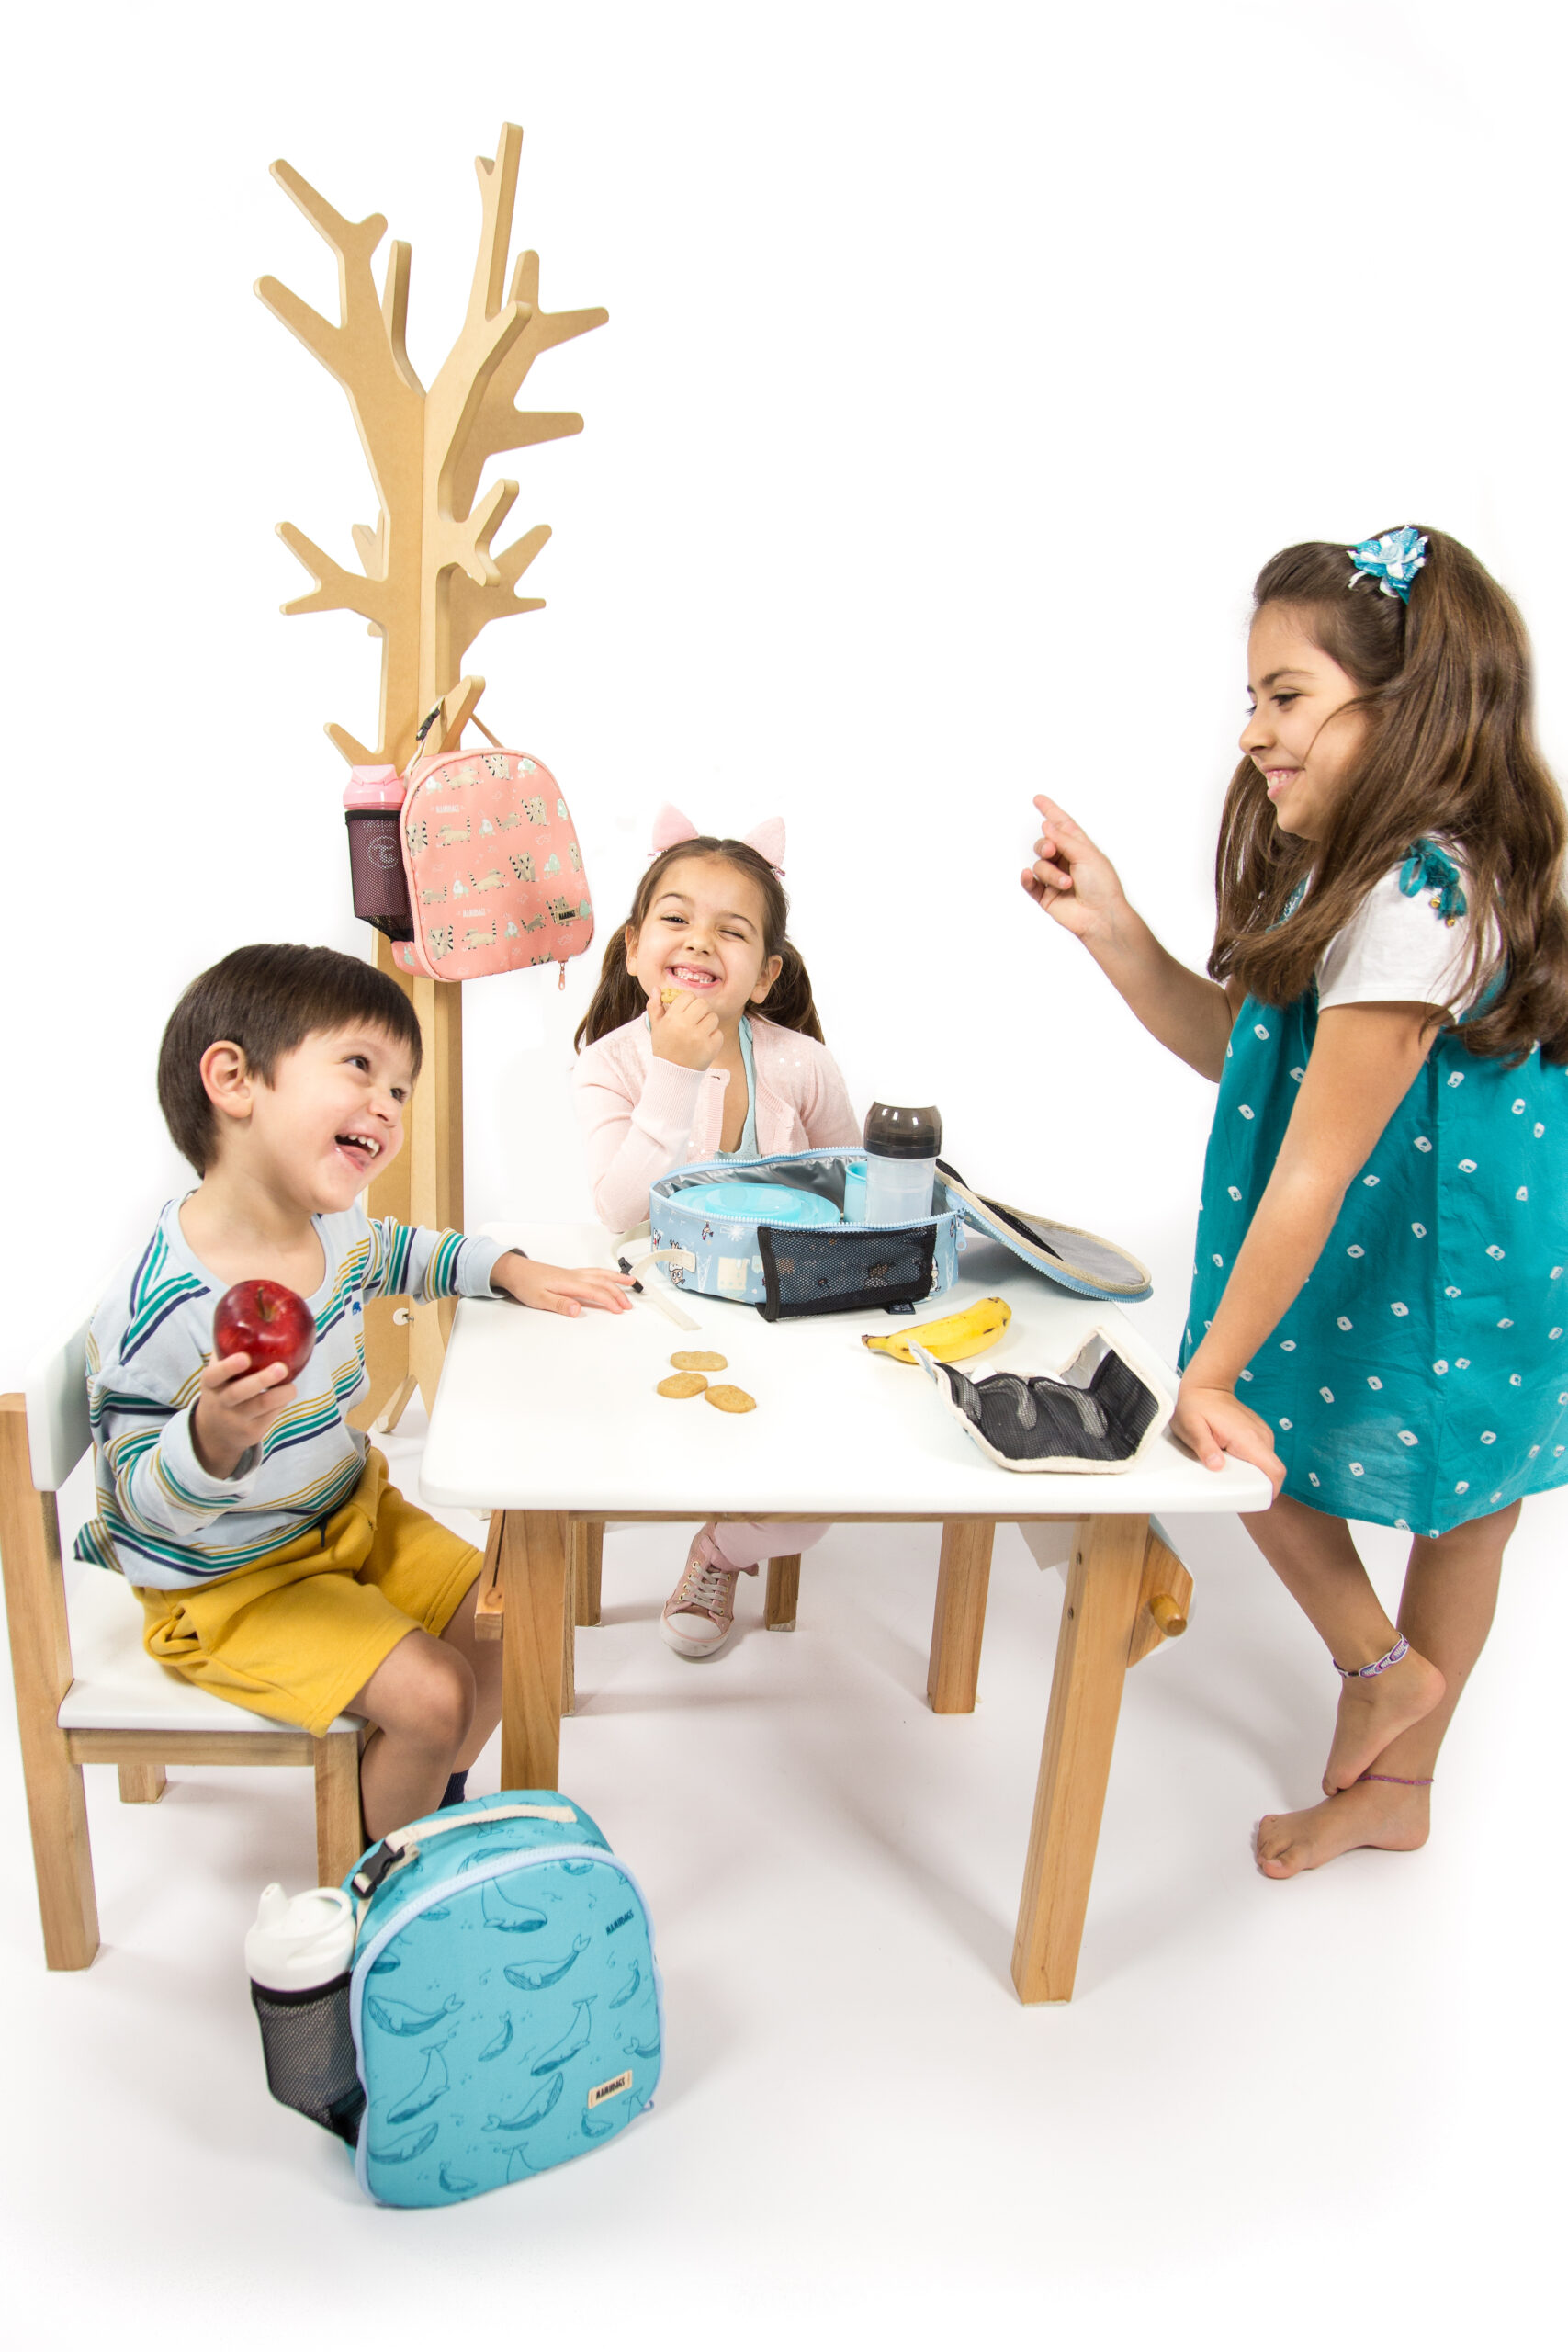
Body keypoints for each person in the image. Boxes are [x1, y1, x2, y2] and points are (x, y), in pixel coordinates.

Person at [1021, 526, 1568, 1877]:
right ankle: (1390, 1722)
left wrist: (1207, 1369)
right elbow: (1255, 1064)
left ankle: (1387, 1714)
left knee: (1271, 1441)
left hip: (1447, 1262)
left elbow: (1312, 1165)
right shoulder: (1373, 875)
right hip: (1431, 1244)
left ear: (1404, 709)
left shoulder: (1422, 897)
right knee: (1407, 1490)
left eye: (1285, 695)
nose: (1252, 730)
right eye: (1251, 695)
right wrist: (1115, 934)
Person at [76, 943, 634, 1839]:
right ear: (234, 1079)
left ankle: (423, 1801)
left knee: (513, 1619)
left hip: (350, 1515)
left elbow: (406, 1253)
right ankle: (378, 1874)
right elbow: (134, 1504)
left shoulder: (331, 1227)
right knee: (434, 1693)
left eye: (402, 1089)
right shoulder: (162, 1302)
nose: (388, 1104)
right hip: (230, 1583)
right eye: (360, 1066)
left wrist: (509, 1269)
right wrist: (211, 1438)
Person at [573, 806, 860, 1657]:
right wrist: (673, 1073)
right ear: (635, 948)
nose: (699, 941)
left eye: (730, 930)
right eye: (676, 919)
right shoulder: (610, 1063)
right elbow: (619, 1210)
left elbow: (849, 1188)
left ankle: (720, 1550)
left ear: (765, 975)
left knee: (824, 1496)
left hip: (784, 1311)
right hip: (652, 1313)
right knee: (599, 1442)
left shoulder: (801, 1063)